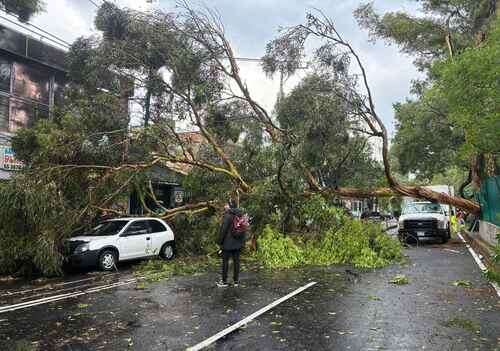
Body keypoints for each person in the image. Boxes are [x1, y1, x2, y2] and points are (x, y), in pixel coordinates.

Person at [216, 199, 245, 287]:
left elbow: (223, 230)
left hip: (227, 244)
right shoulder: (240, 214)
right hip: (238, 243)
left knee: (225, 262)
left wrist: (219, 242)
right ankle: (236, 281)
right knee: (236, 262)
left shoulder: (228, 215)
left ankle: (224, 281)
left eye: (226, 204)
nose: (225, 206)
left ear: (230, 206)